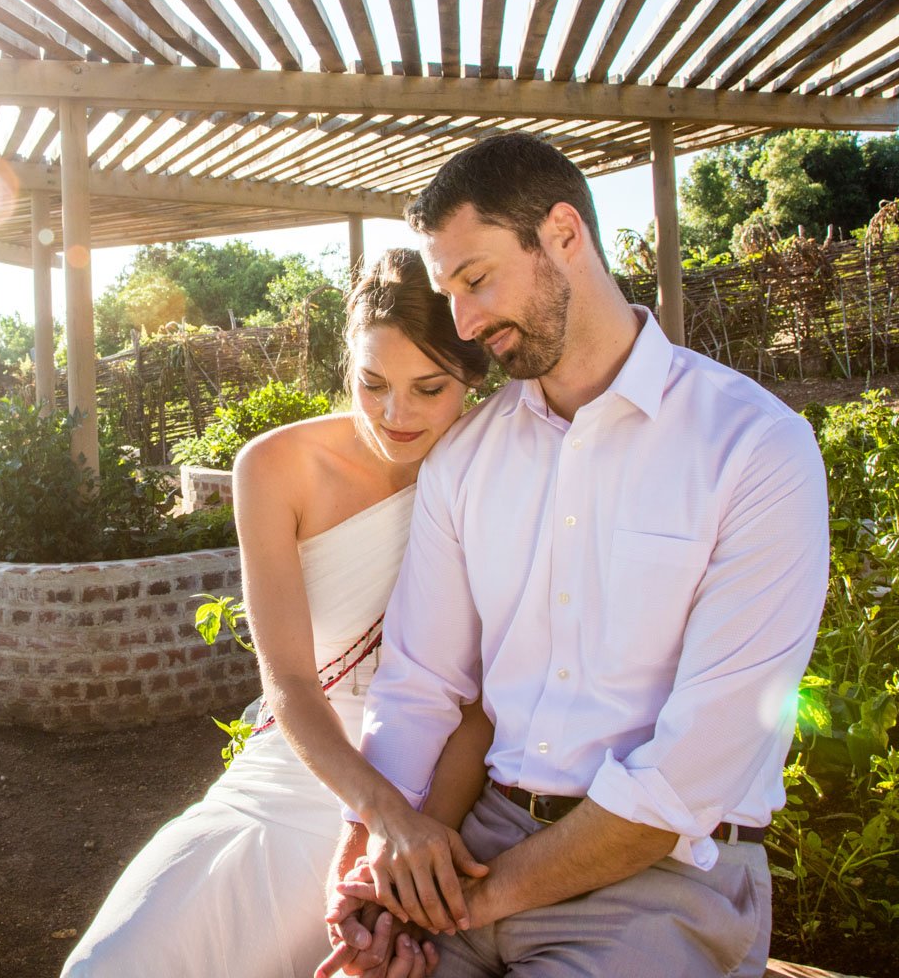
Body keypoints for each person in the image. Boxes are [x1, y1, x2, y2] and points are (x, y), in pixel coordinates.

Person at [322, 134, 830, 978]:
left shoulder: (755, 450)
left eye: (476, 280)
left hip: (663, 877)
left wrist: (472, 901)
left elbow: (690, 777)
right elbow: (420, 688)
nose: (466, 325)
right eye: (451, 293)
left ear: (564, 233)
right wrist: (376, 866)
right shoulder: (464, 462)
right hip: (476, 844)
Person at [62, 249, 497, 978]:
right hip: (300, 771)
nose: (397, 414)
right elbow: (289, 681)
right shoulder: (274, 468)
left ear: (472, 379)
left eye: (430, 388)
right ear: (347, 365)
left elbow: (488, 705)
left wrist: (415, 844)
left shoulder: (499, 465)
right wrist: (380, 814)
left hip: (437, 785)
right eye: (373, 383)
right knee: (116, 963)